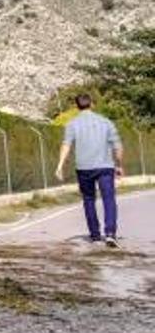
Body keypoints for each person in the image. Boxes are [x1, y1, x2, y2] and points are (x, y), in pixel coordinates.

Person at [55, 94, 124, 247]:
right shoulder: (106, 122)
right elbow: (117, 146)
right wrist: (119, 165)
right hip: (105, 166)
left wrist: (60, 165)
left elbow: (66, 145)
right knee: (109, 199)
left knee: (88, 199)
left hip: (84, 168)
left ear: (76, 106)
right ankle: (110, 233)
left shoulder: (72, 124)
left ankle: (94, 234)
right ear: (92, 104)